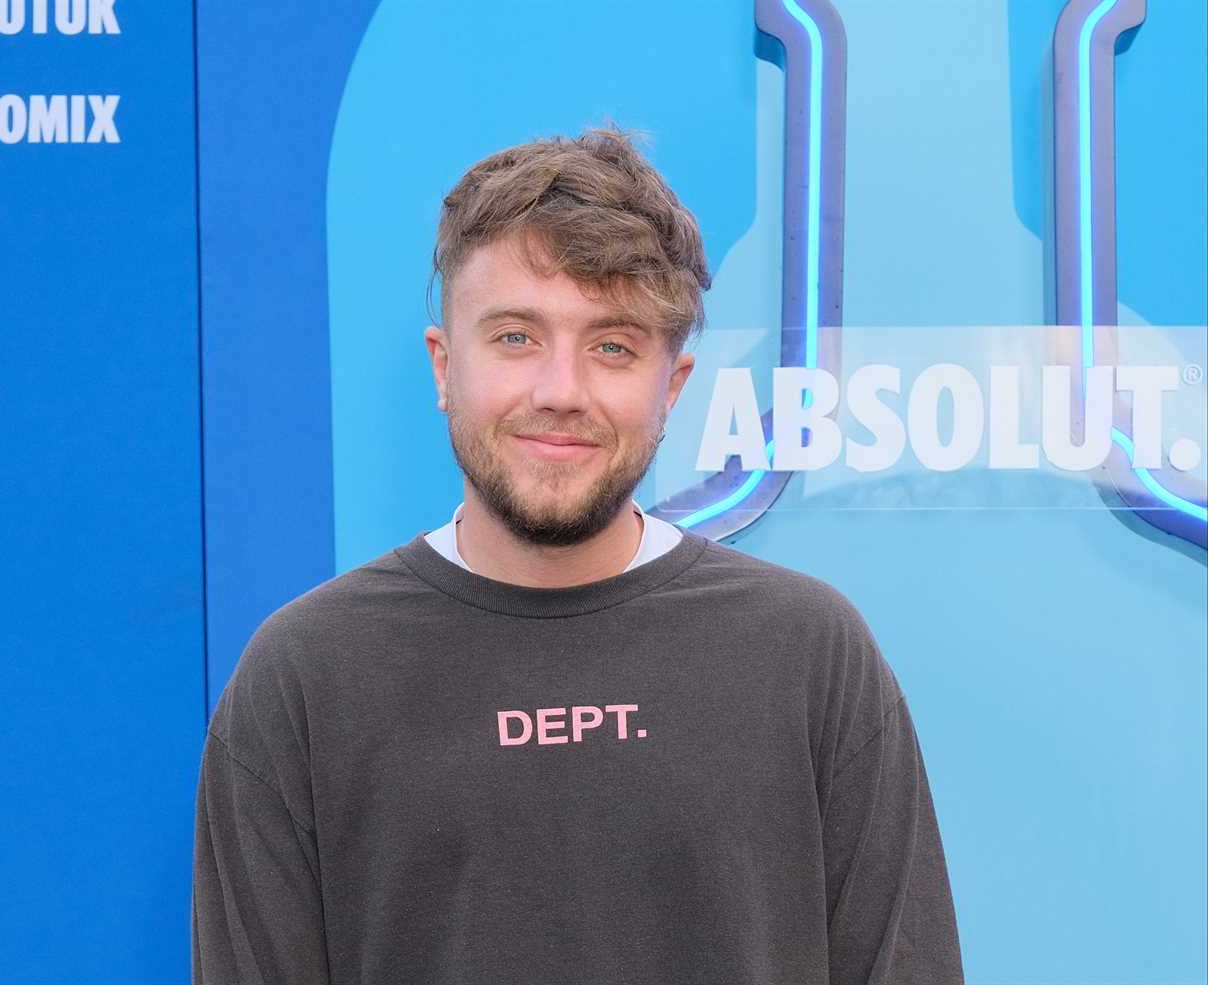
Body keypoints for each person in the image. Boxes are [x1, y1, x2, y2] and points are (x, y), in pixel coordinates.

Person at [191, 127, 965, 984]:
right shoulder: (305, 676)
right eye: (516, 337)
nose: (560, 392)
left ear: (671, 387)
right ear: (444, 366)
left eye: (612, 346)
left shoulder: (809, 653)